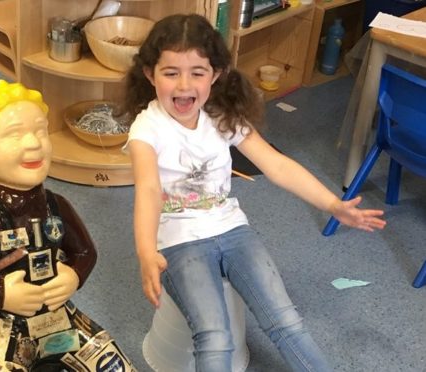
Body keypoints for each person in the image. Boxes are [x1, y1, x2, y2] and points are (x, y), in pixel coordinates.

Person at [121, 14, 386, 372]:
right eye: (171, 73)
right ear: (151, 75)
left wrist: (332, 203)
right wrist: (145, 252)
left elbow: (277, 165)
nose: (184, 85)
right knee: (214, 337)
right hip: (179, 240)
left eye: (197, 72)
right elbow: (149, 190)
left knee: (287, 323)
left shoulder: (221, 115)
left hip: (232, 230)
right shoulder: (146, 129)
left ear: (215, 75)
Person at [0, 80, 136, 372]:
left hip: (59, 317)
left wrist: (73, 275)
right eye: (14, 135)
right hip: (4, 322)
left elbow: (85, 253)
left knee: (116, 367)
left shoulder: (56, 205)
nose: (33, 143)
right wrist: (3, 294)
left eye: (40, 131)